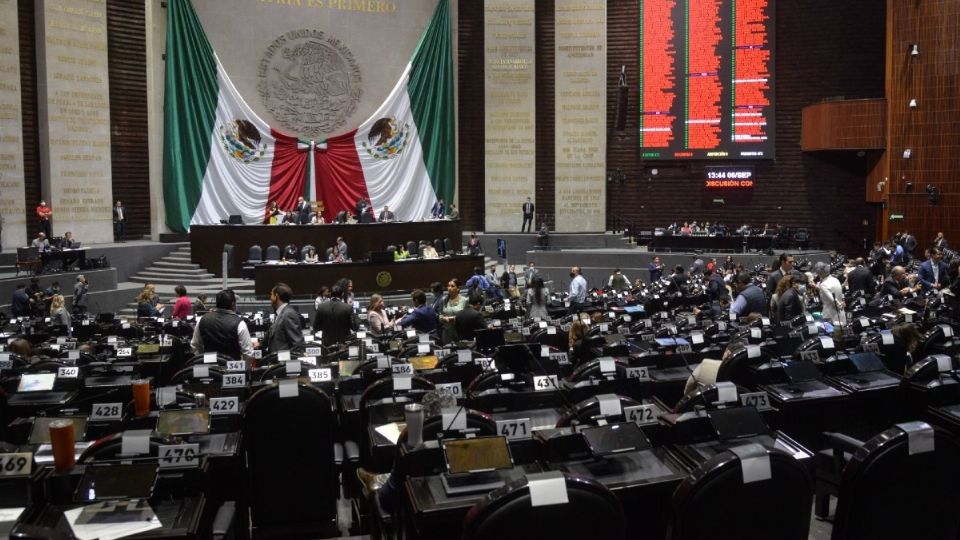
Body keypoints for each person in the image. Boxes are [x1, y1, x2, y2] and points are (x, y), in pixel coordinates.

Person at [190, 289, 254, 360]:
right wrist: (244, 369)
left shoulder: (201, 320)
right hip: (232, 368)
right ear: (233, 305)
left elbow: (194, 345)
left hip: (209, 368)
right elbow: (248, 352)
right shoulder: (240, 324)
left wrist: (204, 360)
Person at [267, 282, 304, 353]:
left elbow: (297, 344)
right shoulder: (280, 313)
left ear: (276, 296)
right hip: (276, 361)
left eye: (271, 294)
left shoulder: (288, 314)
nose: (270, 298)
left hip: (284, 362)